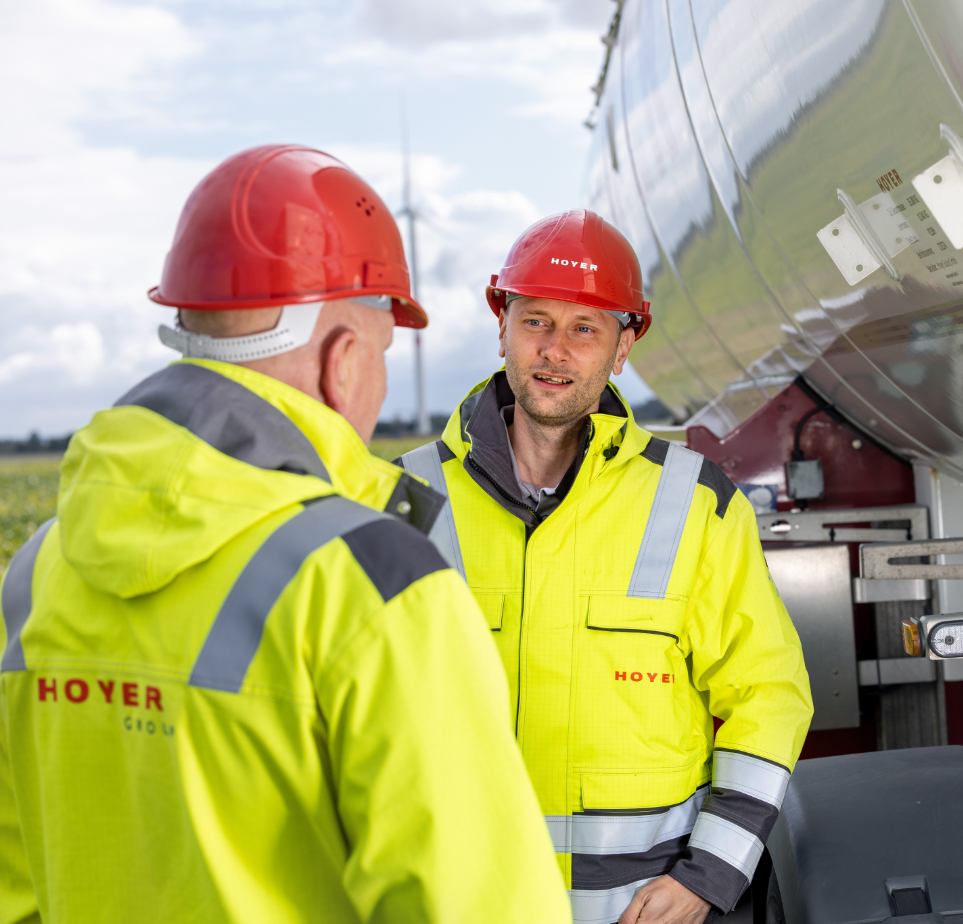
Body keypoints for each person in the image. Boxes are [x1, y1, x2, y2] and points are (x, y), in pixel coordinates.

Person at [0, 145, 570, 924]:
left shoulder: (38, 571)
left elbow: (18, 885)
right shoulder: (368, 581)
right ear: (343, 362)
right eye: (381, 357)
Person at [398, 210, 813, 924]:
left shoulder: (695, 502)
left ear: (624, 347)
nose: (554, 351)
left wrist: (708, 877)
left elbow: (769, 696)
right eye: (536, 322)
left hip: (644, 911)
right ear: (502, 326)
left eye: (584, 329)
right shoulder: (406, 498)